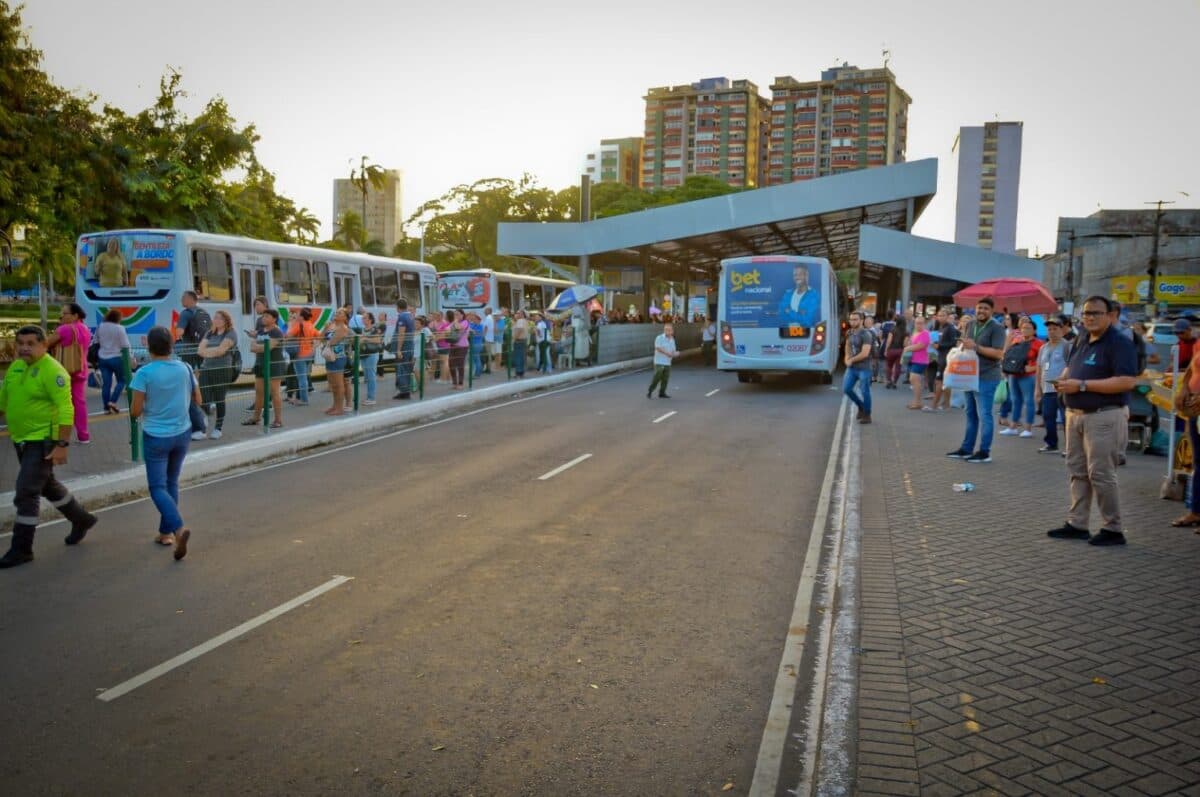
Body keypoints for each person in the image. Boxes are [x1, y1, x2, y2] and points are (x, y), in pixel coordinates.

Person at [0, 325, 98, 568]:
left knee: (26, 491)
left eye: (31, 343)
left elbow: (66, 409)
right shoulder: (16, 367)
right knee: (47, 486)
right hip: (21, 439)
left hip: (43, 439)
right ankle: (81, 519)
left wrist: (62, 443)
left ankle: (22, 549)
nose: (24, 347)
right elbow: (4, 399)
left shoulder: (54, 371)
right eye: (20, 343)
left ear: (45, 345)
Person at [1048, 295, 1139, 546]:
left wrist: (1083, 385)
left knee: (1100, 473)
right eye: (1086, 313)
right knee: (1077, 471)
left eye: (1095, 313)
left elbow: (1127, 381)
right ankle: (1077, 523)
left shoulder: (1120, 343)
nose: (1089, 318)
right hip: (1074, 415)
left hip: (1104, 416)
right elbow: (1071, 368)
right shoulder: (1082, 339)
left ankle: (1113, 528)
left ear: (1111, 316)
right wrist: (1064, 381)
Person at [130, 327, 200, 560]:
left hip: (156, 436)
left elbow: (135, 410)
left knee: (157, 487)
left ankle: (178, 529)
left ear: (148, 347)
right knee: (172, 482)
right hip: (182, 432)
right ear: (172, 345)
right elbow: (197, 399)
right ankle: (165, 533)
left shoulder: (144, 373)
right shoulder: (185, 368)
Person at [946, 297, 1007, 463]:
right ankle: (966, 449)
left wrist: (976, 347)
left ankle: (984, 452)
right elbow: (968, 346)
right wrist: (964, 345)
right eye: (979, 308)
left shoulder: (997, 328)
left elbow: (998, 354)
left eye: (986, 309)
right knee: (970, 413)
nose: (982, 311)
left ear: (992, 311)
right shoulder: (970, 325)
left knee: (985, 415)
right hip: (969, 375)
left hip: (987, 376)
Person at [46, 302, 92, 444]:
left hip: (63, 370)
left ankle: (56, 434)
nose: (62, 316)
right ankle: (83, 436)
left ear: (74, 315)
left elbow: (45, 344)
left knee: (57, 402)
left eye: (64, 313)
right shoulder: (85, 328)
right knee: (79, 403)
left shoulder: (64, 329)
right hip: (80, 368)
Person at [999, 316, 1043, 438]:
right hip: (1014, 374)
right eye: (1023, 328)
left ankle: (1028, 428)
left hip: (1028, 376)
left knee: (1029, 401)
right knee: (1015, 400)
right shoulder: (1016, 341)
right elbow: (1008, 356)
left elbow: (1045, 363)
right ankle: (1013, 427)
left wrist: (1033, 368)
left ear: (1034, 330)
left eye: (1028, 328)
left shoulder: (1039, 344)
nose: (1025, 330)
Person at [1170, 352, 1200, 528]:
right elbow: (1192, 367)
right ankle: (1196, 512)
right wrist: (1184, 389)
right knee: (1198, 462)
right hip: (1195, 410)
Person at [197, 309, 237, 440]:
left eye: (220, 318)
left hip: (222, 369)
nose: (216, 320)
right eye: (215, 317)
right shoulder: (210, 333)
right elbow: (200, 350)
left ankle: (218, 428)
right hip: (206, 368)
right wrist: (213, 351)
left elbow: (221, 351)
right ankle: (207, 412)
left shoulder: (231, 333)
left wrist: (208, 351)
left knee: (220, 398)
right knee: (201, 396)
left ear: (226, 321)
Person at [243, 308, 286, 427]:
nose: (264, 318)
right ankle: (256, 418)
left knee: (274, 392)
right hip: (260, 364)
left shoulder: (277, 332)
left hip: (274, 365)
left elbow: (268, 347)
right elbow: (253, 347)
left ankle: (278, 420)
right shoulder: (261, 331)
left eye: (267, 316)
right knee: (259, 391)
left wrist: (258, 346)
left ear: (274, 319)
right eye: (263, 316)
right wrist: (258, 347)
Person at [1034, 315, 1070, 454]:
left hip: (1063, 389)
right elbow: (1039, 368)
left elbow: (1071, 366)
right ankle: (1051, 444)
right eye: (1049, 329)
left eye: (1055, 329)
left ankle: (1070, 447)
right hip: (1047, 389)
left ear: (1062, 330)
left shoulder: (1067, 346)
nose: (1052, 332)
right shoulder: (1043, 348)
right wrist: (1037, 389)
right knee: (1048, 417)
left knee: (1067, 419)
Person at [95, 308, 131, 414]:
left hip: (102, 358)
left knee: (106, 384)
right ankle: (113, 401)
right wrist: (130, 357)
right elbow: (125, 345)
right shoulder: (119, 328)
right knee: (122, 380)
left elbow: (96, 341)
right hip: (116, 357)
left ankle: (106, 407)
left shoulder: (100, 327)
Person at [843, 311, 872, 424]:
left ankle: (867, 414)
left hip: (864, 367)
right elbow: (847, 347)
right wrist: (846, 359)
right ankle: (861, 406)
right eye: (851, 319)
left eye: (855, 319)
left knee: (865, 391)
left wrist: (851, 360)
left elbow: (865, 353)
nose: (853, 321)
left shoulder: (866, 334)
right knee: (847, 389)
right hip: (852, 368)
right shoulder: (850, 333)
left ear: (861, 320)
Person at [322, 308, 351, 416]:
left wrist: (326, 342)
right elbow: (321, 338)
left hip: (338, 357)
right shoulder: (331, 326)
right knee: (333, 384)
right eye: (336, 312)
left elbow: (332, 342)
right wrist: (325, 328)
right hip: (329, 357)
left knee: (338, 384)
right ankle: (334, 406)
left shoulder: (343, 328)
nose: (336, 314)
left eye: (340, 313)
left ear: (344, 317)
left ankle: (339, 408)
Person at [286, 307, 318, 406]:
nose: (297, 317)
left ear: (301, 316)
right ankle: (301, 398)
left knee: (301, 378)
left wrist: (291, 324)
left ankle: (304, 400)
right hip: (310, 354)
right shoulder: (310, 325)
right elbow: (318, 335)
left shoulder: (298, 325)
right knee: (304, 376)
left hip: (300, 354)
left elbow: (288, 335)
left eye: (299, 315)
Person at [931, 310, 959, 410]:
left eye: (943, 315)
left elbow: (953, 343)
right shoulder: (941, 328)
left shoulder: (950, 328)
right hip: (941, 356)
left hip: (946, 357)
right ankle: (946, 404)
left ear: (947, 317)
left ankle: (934, 405)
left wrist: (939, 345)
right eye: (939, 315)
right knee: (945, 382)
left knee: (939, 381)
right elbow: (943, 341)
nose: (940, 317)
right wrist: (936, 344)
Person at [776, 264, 820, 328]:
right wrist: (800, 314)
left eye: (800, 275)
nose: (797, 277)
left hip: (807, 332)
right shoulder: (787, 294)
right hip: (785, 332)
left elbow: (808, 320)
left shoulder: (814, 295)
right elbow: (780, 316)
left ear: (806, 276)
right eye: (795, 275)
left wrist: (789, 311)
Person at [903, 315, 931, 410]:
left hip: (921, 360)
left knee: (914, 380)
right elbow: (911, 343)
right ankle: (916, 401)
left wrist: (908, 348)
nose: (918, 325)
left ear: (924, 324)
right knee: (914, 381)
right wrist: (907, 344)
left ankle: (918, 402)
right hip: (914, 359)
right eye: (917, 323)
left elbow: (921, 345)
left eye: (921, 323)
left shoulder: (925, 333)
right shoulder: (914, 333)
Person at [359, 311, 385, 405]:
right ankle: (369, 397)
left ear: (370, 319)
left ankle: (371, 398)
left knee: (371, 376)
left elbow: (378, 340)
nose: (363, 319)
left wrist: (366, 339)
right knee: (367, 376)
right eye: (363, 318)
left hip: (372, 354)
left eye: (365, 318)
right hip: (364, 354)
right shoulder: (363, 329)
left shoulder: (374, 328)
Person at [647, 322, 678, 398]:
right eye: (666, 329)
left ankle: (662, 393)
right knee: (658, 375)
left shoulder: (672, 339)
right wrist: (667, 353)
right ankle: (650, 390)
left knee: (665, 378)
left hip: (667, 362)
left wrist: (675, 353)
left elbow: (673, 350)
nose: (667, 331)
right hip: (659, 361)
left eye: (669, 330)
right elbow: (658, 348)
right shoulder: (659, 337)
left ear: (672, 331)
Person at [393, 299, 416, 400]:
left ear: (398, 307)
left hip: (404, 348)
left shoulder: (402, 316)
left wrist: (398, 349)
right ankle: (406, 391)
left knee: (401, 369)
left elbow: (401, 333)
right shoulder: (410, 316)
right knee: (406, 369)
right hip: (409, 346)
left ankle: (404, 392)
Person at [446, 309, 470, 390]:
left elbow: (458, 328)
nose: (456, 316)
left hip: (462, 346)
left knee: (460, 365)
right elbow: (447, 328)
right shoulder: (454, 322)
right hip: (452, 345)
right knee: (451, 364)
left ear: (462, 315)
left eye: (457, 314)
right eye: (455, 314)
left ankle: (460, 383)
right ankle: (454, 383)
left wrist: (455, 321)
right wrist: (452, 325)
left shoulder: (465, 322)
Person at [883, 311, 907, 389]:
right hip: (900, 351)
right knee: (898, 367)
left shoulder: (892, 330)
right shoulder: (906, 332)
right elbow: (905, 344)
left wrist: (886, 350)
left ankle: (889, 381)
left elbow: (889, 341)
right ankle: (894, 382)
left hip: (891, 350)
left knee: (889, 366)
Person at [511, 310, 529, 378]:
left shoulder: (520, 321)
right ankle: (521, 372)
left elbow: (519, 329)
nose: (516, 314)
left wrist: (514, 338)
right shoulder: (524, 321)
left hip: (519, 340)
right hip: (523, 340)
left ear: (521, 314)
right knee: (521, 356)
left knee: (518, 357)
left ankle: (518, 372)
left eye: (518, 313)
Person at [468, 311, 485, 379]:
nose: (473, 320)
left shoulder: (480, 326)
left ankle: (477, 374)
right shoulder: (473, 324)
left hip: (477, 344)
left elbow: (475, 333)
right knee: (474, 359)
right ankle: (475, 373)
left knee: (476, 359)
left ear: (479, 320)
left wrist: (471, 330)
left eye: (475, 319)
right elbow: (468, 327)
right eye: (473, 318)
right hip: (473, 344)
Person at [481, 307, 495, 374]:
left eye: (485, 310)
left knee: (487, 354)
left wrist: (483, 335)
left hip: (487, 338)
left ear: (488, 311)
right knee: (488, 353)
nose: (484, 311)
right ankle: (488, 368)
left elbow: (485, 327)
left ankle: (488, 369)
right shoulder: (491, 317)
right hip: (490, 338)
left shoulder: (488, 318)